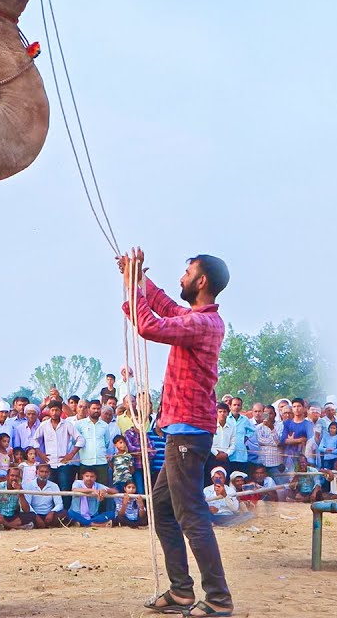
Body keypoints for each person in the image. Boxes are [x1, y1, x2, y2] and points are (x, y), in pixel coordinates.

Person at [120, 248, 234, 616]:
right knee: (166, 510)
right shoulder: (201, 318)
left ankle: (218, 598)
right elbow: (166, 308)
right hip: (182, 430)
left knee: (190, 515)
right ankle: (182, 591)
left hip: (186, 433)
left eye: (186, 273)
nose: (181, 278)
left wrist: (133, 289)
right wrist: (138, 280)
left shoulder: (202, 324)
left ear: (201, 282)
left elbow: (151, 324)